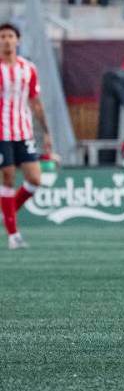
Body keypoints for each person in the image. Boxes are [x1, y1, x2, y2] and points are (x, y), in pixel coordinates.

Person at [0, 23, 53, 250]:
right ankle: (13, 236)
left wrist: (47, 133)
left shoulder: (28, 69)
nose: (7, 40)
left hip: (24, 131)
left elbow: (35, 102)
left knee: (35, 180)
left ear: (18, 40)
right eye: (2, 36)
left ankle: (7, 212)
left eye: (10, 36)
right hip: (1, 131)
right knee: (9, 178)